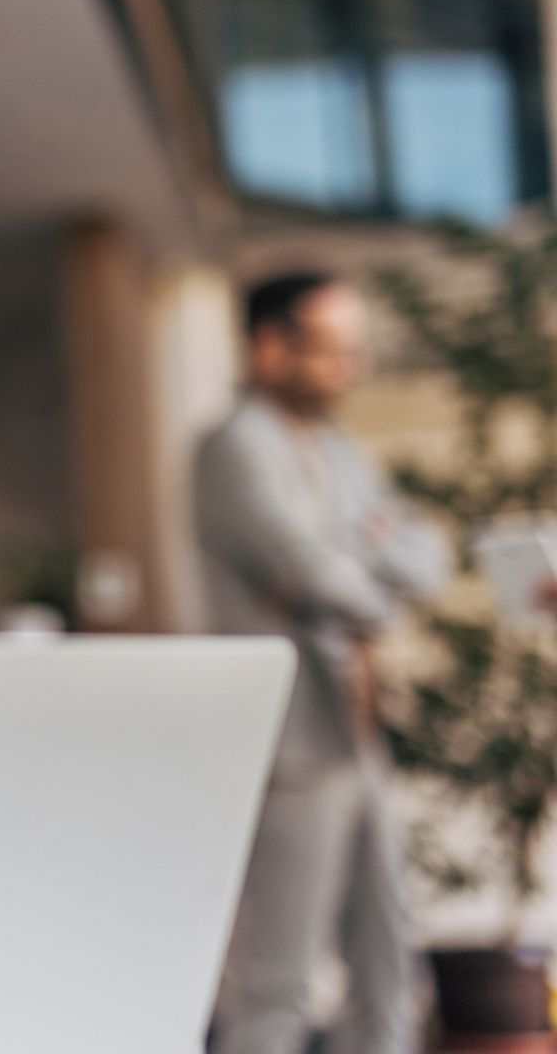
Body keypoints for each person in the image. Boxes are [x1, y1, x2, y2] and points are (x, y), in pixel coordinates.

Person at [198, 272, 449, 1054]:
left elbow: (425, 554)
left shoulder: (338, 452)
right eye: (332, 348)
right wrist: (361, 567)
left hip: (361, 735)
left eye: (354, 348)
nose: (351, 366)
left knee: (390, 965)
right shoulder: (235, 447)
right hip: (297, 749)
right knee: (283, 981)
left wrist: (357, 573)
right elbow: (320, 574)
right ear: (270, 347)